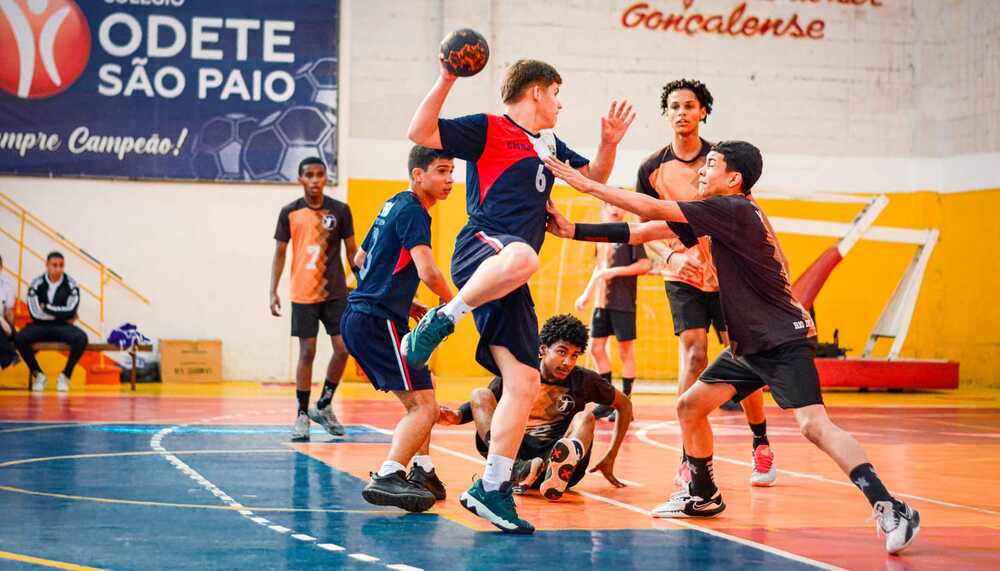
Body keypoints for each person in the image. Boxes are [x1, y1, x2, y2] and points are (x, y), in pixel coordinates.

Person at [542, 141, 920, 554]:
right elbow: (644, 230)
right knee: (690, 406)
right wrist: (573, 231)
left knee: (814, 425)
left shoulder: (733, 209)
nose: (701, 172)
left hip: (781, 339)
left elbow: (650, 210)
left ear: (734, 179)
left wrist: (585, 185)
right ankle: (703, 494)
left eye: (711, 165)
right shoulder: (720, 215)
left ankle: (891, 506)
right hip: (751, 344)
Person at [405, 57, 634, 533]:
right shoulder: (489, 128)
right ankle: (443, 319)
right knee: (526, 257)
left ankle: (491, 488)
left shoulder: (547, 144)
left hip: (507, 275)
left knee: (525, 382)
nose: (560, 103)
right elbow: (420, 132)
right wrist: (448, 76)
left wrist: (608, 145)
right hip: (482, 249)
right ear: (536, 92)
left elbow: (592, 177)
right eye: (556, 93)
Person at [636, 79, 776, 488]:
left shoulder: (721, 162)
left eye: (690, 106)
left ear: (703, 112)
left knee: (742, 356)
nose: (681, 112)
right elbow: (643, 226)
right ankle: (688, 457)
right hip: (681, 273)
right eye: (674, 106)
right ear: (666, 113)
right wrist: (674, 256)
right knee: (694, 352)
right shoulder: (651, 169)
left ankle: (760, 444)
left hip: (728, 276)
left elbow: (745, 213)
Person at [343, 145, 456, 513]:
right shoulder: (415, 213)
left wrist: (406, 303)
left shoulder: (393, 203)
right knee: (422, 407)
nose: (450, 179)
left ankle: (423, 469)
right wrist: (454, 302)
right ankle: (390, 473)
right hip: (377, 321)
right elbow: (428, 271)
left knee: (426, 390)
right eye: (441, 171)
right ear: (417, 175)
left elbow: (363, 261)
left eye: (452, 171)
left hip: (369, 315)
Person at [439, 314, 633, 500]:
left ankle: (557, 473)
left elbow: (624, 404)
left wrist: (611, 455)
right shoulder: (519, 373)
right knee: (479, 394)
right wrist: (457, 416)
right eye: (562, 352)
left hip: (556, 456)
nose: (568, 362)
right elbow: (485, 403)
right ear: (542, 350)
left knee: (586, 418)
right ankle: (516, 468)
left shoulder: (585, 380)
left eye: (574, 356)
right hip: (517, 452)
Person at [271, 157, 358, 441]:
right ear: (300, 179)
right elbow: (280, 254)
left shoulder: (340, 211)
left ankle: (324, 404)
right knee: (307, 352)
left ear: (325, 178)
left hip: (335, 292)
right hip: (303, 293)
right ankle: (301, 414)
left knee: (343, 348)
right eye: (309, 175)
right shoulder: (289, 213)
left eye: (320, 175)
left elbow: (352, 252)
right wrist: (272, 290)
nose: (315, 180)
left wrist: (365, 283)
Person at [574, 203, 650, 420]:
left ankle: (625, 403)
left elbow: (644, 265)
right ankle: (607, 400)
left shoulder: (632, 234)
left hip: (623, 303)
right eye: (611, 205)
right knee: (596, 348)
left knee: (625, 351)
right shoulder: (601, 236)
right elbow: (599, 269)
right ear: (604, 208)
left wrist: (615, 272)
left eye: (619, 206)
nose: (615, 209)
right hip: (601, 303)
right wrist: (586, 295)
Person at [15, 252, 87, 392]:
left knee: (81, 338)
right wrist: (61, 314)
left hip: (63, 327)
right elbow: (35, 313)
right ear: (47, 265)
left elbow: (71, 310)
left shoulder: (71, 285)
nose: (58, 269)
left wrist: (47, 307)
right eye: (54, 265)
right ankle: (39, 375)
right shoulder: (36, 284)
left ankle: (65, 376)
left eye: (61, 265)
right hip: (40, 326)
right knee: (19, 338)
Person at [0, 255, 18, 369]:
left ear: (1, 267)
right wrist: (1, 321)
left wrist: (10, 326)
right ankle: (11, 355)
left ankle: (17, 350)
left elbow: (8, 310)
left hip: (1, 324)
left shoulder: (7, 285)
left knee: (14, 334)